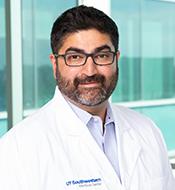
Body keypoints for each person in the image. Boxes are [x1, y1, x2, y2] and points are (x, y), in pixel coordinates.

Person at [0, 5, 174, 190]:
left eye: (102, 55)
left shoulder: (148, 131)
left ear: (116, 59)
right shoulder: (18, 148)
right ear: (55, 63)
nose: (90, 71)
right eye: (75, 57)